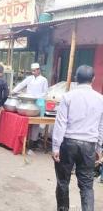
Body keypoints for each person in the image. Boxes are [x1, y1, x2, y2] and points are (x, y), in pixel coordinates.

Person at [52, 65, 103, 211]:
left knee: (62, 181)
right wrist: (99, 147)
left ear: (76, 78)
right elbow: (101, 126)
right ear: (93, 79)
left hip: (68, 143)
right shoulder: (101, 99)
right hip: (89, 146)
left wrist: (56, 147)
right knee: (87, 185)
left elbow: (60, 123)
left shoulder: (68, 97)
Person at [13, 63, 48, 148]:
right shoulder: (29, 78)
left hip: (39, 102)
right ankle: (25, 141)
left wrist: (37, 98)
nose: (33, 72)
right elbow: (21, 85)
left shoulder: (44, 80)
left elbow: (45, 93)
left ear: (39, 70)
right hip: (28, 102)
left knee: (36, 123)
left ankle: (34, 141)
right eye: (32, 71)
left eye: (35, 70)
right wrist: (13, 91)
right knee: (27, 122)